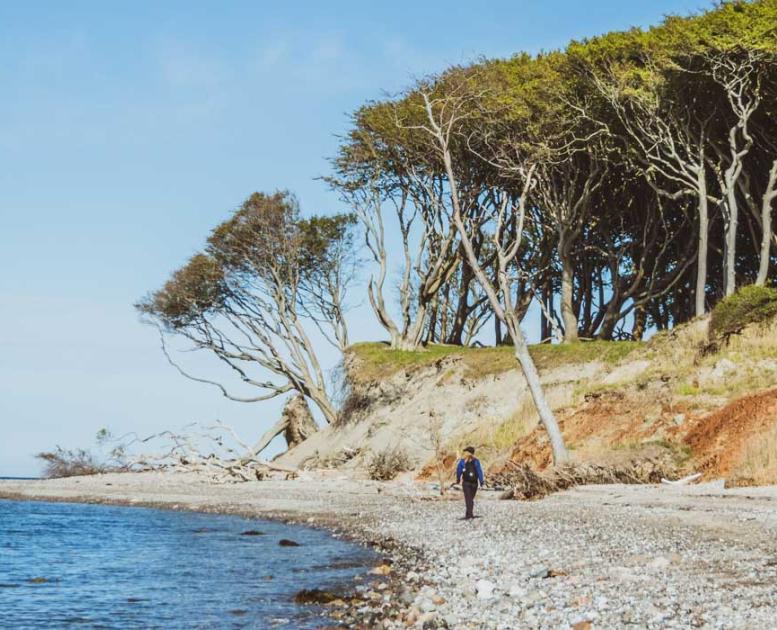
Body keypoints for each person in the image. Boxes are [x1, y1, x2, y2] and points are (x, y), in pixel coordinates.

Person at [455, 446, 484, 519]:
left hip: (466, 483)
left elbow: (459, 471)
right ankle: (469, 514)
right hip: (474, 483)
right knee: (470, 499)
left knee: (469, 499)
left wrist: (458, 479)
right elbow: (479, 471)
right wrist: (481, 481)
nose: (464, 453)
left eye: (465, 451)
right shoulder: (476, 461)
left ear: (468, 452)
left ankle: (469, 515)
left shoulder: (462, 461)